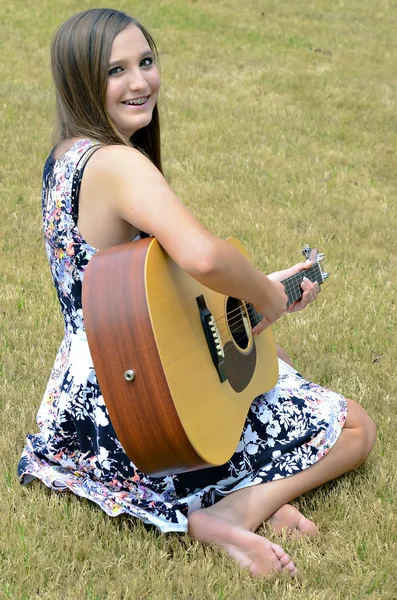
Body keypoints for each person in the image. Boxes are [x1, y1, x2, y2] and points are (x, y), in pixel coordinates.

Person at [18, 8, 376, 578]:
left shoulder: (66, 158)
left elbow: (149, 285)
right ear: (81, 82)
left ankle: (238, 481)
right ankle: (238, 509)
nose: (139, 82)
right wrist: (265, 292)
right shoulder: (118, 164)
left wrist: (258, 298)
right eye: (116, 71)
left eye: (146, 62)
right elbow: (204, 257)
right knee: (357, 427)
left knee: (270, 361)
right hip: (150, 408)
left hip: (87, 400)